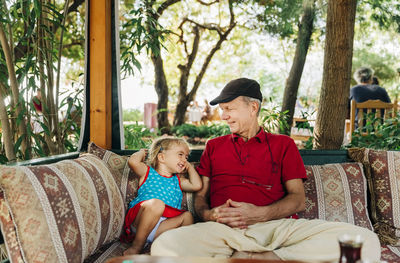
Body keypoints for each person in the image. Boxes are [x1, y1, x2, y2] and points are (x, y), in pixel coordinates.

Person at [151, 78, 381, 262]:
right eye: (222, 109)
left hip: (278, 230)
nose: (224, 116)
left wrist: (259, 214)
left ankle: (265, 258)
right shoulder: (214, 146)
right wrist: (209, 215)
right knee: (164, 245)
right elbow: (201, 196)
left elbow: (298, 200)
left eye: (229, 108)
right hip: (223, 231)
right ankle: (247, 257)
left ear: (253, 107)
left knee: (366, 240)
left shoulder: (284, 144)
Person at [123, 137, 202, 255]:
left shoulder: (178, 181)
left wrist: (190, 167)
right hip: (141, 221)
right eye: (180, 154)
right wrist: (141, 152)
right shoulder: (148, 172)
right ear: (162, 157)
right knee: (157, 203)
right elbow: (133, 162)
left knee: (188, 216)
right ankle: (136, 246)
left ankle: (178, 249)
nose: (184, 159)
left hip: (161, 227)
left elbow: (196, 185)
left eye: (186, 157)